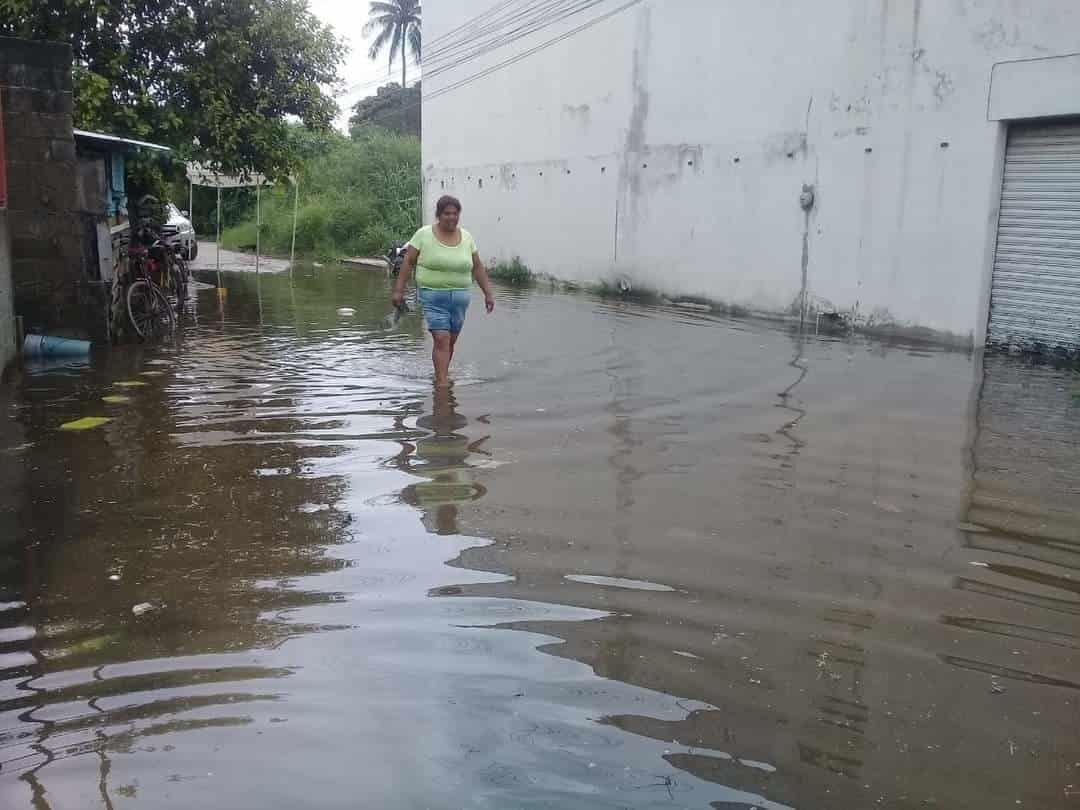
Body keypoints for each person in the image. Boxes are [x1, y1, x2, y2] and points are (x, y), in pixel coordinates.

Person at [393, 196, 495, 387]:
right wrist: (399, 291)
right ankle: (441, 384)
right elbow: (408, 261)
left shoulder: (466, 237)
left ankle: (441, 373)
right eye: (447, 213)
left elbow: (478, 266)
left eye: (455, 213)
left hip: (460, 298)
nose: (451, 217)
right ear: (439, 215)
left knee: (450, 342)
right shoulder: (424, 235)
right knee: (441, 338)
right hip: (432, 296)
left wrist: (488, 293)